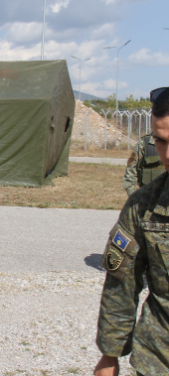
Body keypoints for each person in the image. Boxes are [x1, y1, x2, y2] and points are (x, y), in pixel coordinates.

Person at [93, 86, 169, 376]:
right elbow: (121, 287)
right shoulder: (142, 207)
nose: (168, 154)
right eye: (161, 141)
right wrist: (109, 356)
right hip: (158, 360)